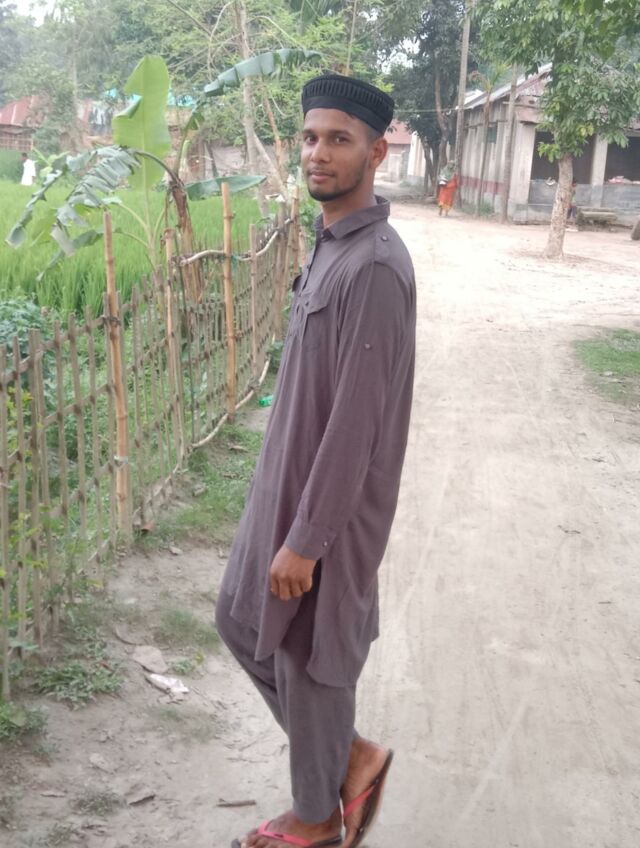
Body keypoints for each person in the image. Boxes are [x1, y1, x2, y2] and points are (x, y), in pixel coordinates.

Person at [215, 73, 416, 848]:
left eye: (338, 139)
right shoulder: (333, 246)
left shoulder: (373, 267)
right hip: (284, 488)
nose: (317, 153)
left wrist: (308, 539)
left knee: (308, 653)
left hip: (327, 508)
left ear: (376, 152)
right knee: (240, 618)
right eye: (308, 137)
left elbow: (357, 426)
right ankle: (351, 756)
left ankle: (314, 818)